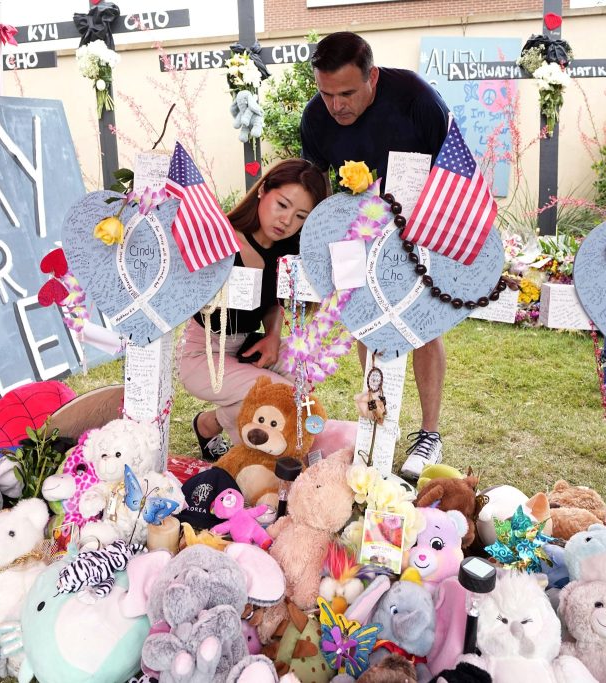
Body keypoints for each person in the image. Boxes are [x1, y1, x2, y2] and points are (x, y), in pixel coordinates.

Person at [300, 31, 450, 480]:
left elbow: (451, 173)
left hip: (416, 228)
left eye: (347, 93)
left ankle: (429, 433)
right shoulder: (315, 118)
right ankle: (377, 413)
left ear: (373, 78)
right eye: (326, 94)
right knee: (365, 321)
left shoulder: (418, 100)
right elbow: (317, 188)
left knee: (420, 325)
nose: (336, 105)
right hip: (354, 233)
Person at [178, 158, 329, 459]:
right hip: (203, 355)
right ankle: (254, 460)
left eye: (300, 216)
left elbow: (275, 302)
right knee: (277, 396)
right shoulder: (221, 240)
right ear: (262, 191)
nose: (286, 221)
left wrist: (273, 335)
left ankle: (210, 423)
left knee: (304, 370)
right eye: (282, 205)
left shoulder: (287, 249)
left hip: (248, 346)